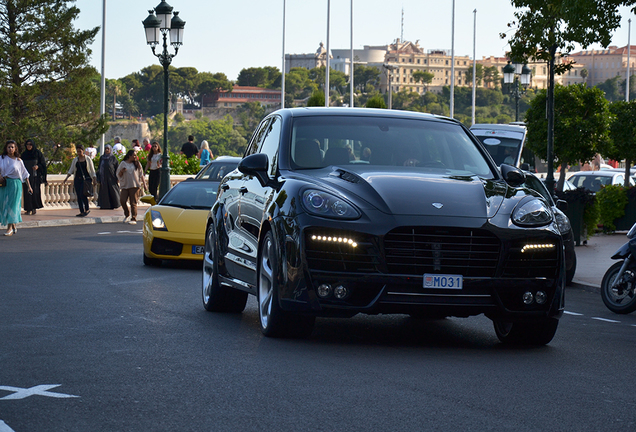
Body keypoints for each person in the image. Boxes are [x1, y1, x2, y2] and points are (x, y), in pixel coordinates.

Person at [0, 140, 32, 236]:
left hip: (15, 184)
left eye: (12, 147)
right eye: (9, 147)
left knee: (12, 205)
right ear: (6, 148)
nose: (10, 149)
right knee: (4, 204)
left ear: (15, 148)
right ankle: (13, 224)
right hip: (5, 184)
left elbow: (25, 174)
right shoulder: (2, 158)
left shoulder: (18, 161)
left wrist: (29, 186)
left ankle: (9, 228)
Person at [63, 144, 97, 217]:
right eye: (77, 151)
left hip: (86, 180)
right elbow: (71, 169)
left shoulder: (88, 159)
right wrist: (66, 178)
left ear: (83, 151)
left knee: (83, 194)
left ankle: (87, 209)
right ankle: (81, 211)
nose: (79, 153)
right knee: (78, 196)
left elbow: (92, 170)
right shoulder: (75, 159)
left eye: (80, 151)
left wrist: (94, 178)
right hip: (77, 179)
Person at [117, 150, 147, 225]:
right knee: (122, 200)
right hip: (125, 185)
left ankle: (134, 218)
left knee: (133, 202)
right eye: (133, 155)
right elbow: (118, 174)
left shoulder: (137, 164)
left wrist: (144, 184)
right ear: (129, 156)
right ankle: (127, 214)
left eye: (135, 155)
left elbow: (141, 174)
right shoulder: (123, 163)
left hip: (135, 185)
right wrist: (122, 171)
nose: (135, 157)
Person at [21, 139, 47, 215]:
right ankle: (28, 209)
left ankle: (34, 208)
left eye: (30, 144)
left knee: (35, 193)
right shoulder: (24, 154)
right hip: (26, 177)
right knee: (27, 193)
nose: (29, 146)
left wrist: (38, 166)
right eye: (27, 144)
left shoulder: (38, 153)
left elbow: (43, 164)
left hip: (35, 176)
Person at [97, 144, 121, 209]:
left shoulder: (113, 158)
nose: (106, 150)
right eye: (105, 149)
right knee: (104, 191)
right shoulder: (102, 157)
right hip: (103, 178)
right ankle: (105, 205)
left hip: (111, 177)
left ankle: (114, 204)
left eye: (108, 149)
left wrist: (118, 177)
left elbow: (117, 168)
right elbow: (99, 167)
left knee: (113, 191)